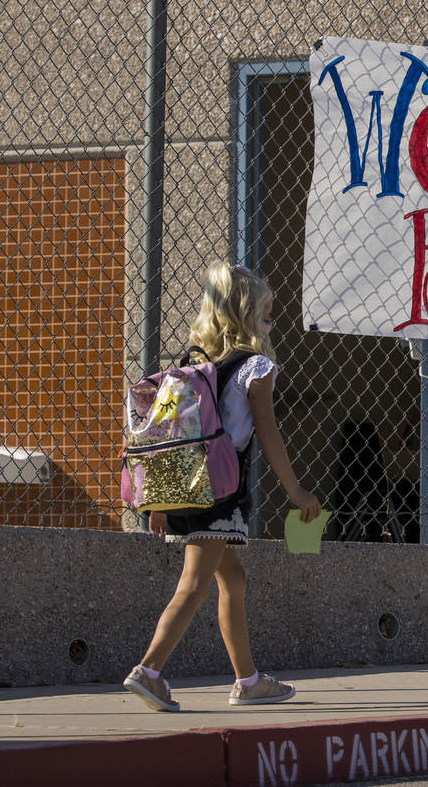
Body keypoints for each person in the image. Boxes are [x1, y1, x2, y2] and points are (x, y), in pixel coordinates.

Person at [123, 261, 322, 711]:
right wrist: (297, 493)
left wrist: (159, 504)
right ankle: (149, 671)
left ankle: (248, 680)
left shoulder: (192, 363)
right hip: (221, 492)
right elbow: (268, 434)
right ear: (248, 316)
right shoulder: (256, 368)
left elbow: (169, 437)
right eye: (267, 315)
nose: (272, 323)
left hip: (187, 487)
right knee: (193, 584)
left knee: (232, 577)